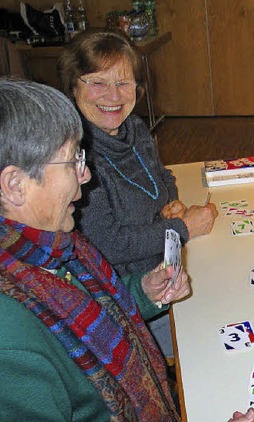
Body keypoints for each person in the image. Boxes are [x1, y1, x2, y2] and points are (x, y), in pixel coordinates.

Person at [0, 78, 254, 422]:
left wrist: (143, 291)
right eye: (74, 160)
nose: (86, 174)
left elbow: (89, 309)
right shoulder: (11, 344)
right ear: (15, 185)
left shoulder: (45, 245)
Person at [57, 30, 218, 356]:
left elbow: (162, 177)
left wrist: (170, 204)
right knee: (212, 345)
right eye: (97, 82)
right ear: (74, 87)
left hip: (170, 261)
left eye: (123, 82)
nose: (113, 95)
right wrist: (183, 227)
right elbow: (111, 244)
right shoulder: (77, 154)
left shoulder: (135, 128)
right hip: (132, 297)